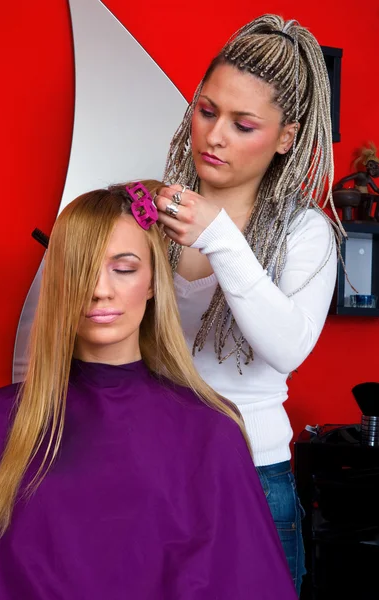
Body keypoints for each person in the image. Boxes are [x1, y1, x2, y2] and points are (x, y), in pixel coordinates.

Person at [0, 181, 297, 599]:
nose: (100, 289)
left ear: (154, 282)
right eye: (80, 270)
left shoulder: (211, 431)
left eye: (124, 268)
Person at [154, 14, 344, 595]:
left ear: (286, 138)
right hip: (151, 467)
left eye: (243, 124)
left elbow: (286, 349)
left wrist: (221, 239)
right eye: (206, 112)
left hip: (251, 476)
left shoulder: (304, 232)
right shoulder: (153, 211)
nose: (214, 136)